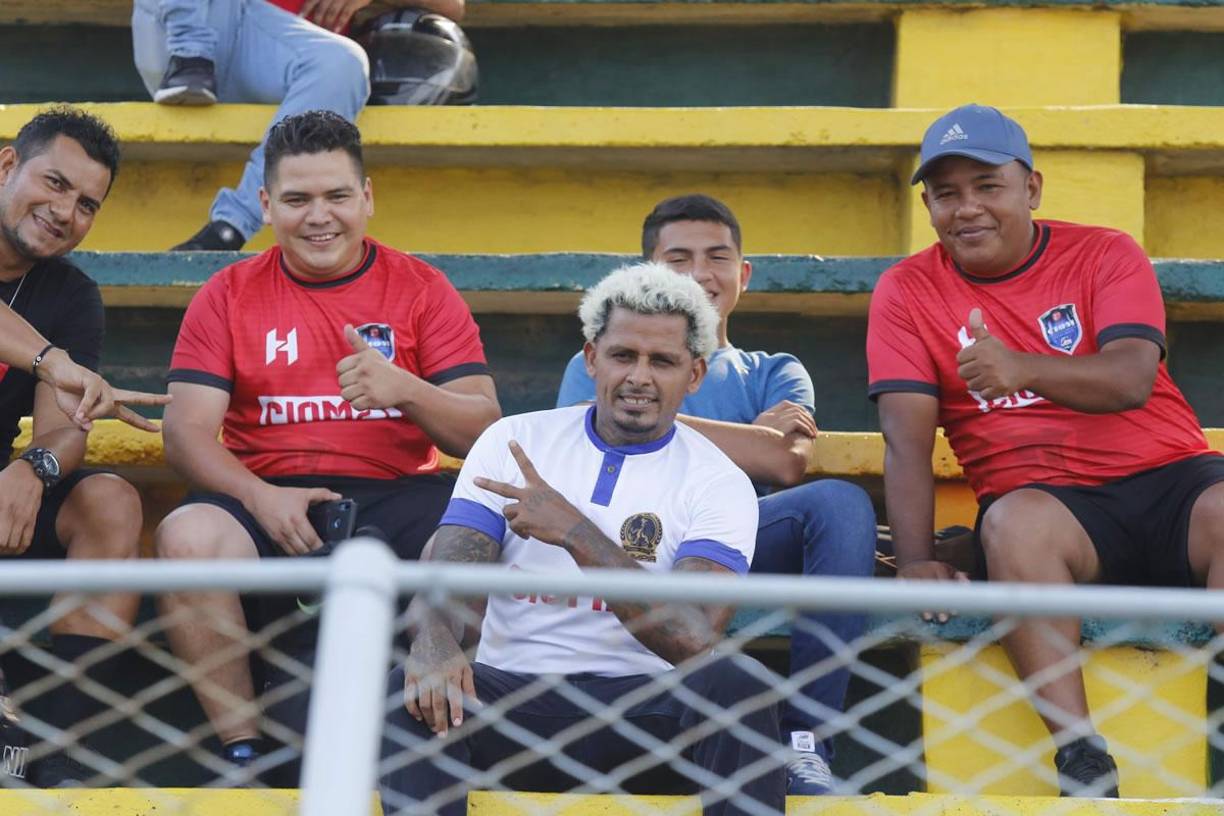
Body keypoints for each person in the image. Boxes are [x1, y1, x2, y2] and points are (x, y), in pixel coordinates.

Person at [866, 103, 1224, 797]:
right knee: (1010, 525)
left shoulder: (1104, 251)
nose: (966, 208)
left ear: (1031, 188)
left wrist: (1022, 367)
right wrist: (916, 561)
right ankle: (1083, 761)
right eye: (945, 193)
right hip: (1052, 512)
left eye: (987, 185)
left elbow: (1130, 378)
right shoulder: (907, 290)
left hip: (1171, 482)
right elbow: (906, 442)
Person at [154, 110, 499, 779]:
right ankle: (244, 754)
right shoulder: (226, 293)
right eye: (297, 199)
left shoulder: (422, 288)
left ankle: (437, 727)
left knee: (477, 537)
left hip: (399, 495)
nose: (320, 216)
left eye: (338, 196)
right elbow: (185, 432)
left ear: (367, 197)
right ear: (265, 205)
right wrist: (259, 495)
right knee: (187, 534)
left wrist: (408, 390)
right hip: (265, 496)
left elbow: (485, 427)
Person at [381, 262, 785, 816]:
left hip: (645, 718)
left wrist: (574, 532)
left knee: (740, 684)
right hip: (508, 701)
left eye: (661, 361)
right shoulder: (514, 439)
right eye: (623, 356)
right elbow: (452, 571)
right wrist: (433, 640)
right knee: (404, 688)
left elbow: (691, 634)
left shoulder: (719, 482)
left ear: (694, 375)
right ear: (592, 358)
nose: (639, 377)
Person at [555, 194, 877, 794]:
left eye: (717, 257)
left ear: (743, 274)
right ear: (645, 271)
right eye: (678, 258)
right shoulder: (603, 356)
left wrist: (645, 417)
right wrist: (749, 438)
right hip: (627, 538)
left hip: (734, 538)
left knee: (839, 505)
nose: (700, 274)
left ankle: (805, 743)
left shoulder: (774, 369)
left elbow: (785, 463)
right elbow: (579, 446)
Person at [0, 107, 170, 786]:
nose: (65, 211)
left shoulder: (71, 294)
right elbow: (57, 372)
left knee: (110, 501)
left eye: (87, 203)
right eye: (55, 183)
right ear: (8, 164)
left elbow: (62, 425)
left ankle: (61, 747)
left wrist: (33, 467)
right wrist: (51, 359)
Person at [129, 0, 465, 252]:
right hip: (190, 26)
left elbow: (453, 5)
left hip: (284, 62)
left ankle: (229, 229)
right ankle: (191, 56)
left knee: (344, 64)